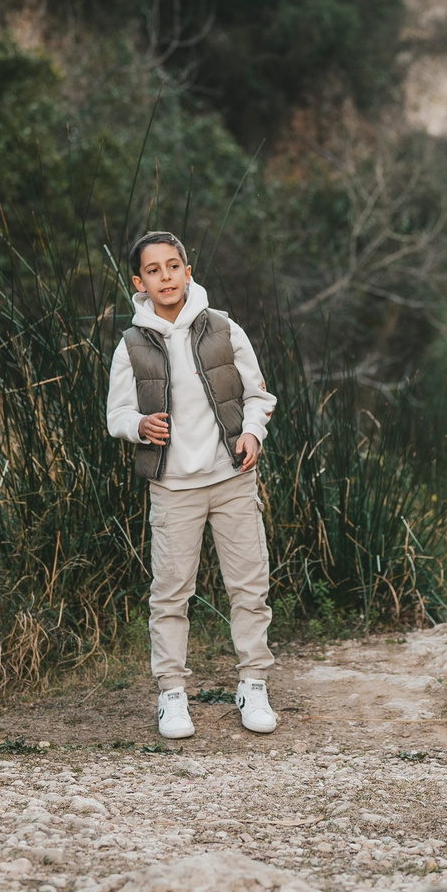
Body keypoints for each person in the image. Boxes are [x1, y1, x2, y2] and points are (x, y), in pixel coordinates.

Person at [105, 231, 280, 741]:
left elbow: (258, 395)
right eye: (153, 270)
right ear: (139, 283)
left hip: (231, 479)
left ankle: (253, 683)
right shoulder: (131, 344)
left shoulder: (224, 328)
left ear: (187, 270)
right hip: (173, 486)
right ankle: (172, 693)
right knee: (171, 593)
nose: (166, 277)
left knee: (249, 586)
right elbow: (116, 413)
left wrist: (252, 432)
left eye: (173, 266)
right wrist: (138, 426)